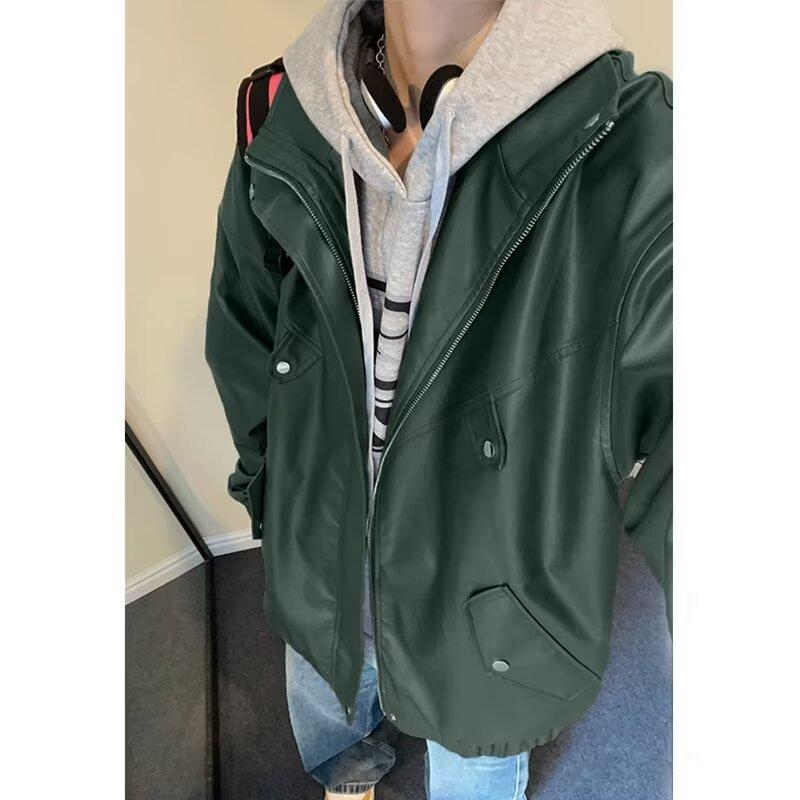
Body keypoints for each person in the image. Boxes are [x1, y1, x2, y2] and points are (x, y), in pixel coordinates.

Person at [205, 0, 672, 797]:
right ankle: (349, 776)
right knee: (330, 705)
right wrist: (274, 500)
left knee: (473, 760)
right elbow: (246, 335)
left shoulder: (638, 149)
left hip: (487, 601)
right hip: (322, 546)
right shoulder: (277, 112)